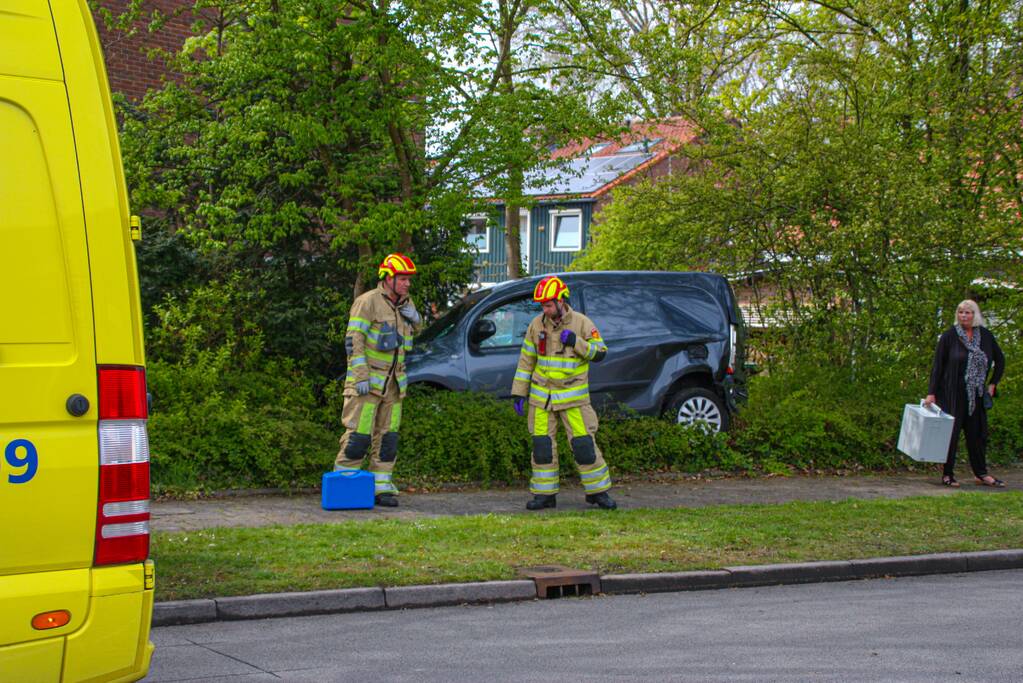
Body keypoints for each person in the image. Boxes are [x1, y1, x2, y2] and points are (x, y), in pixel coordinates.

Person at [510, 275, 617, 510]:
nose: (545, 310)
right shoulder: (536, 325)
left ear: (561, 301)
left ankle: (598, 493)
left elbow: (600, 353)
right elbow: (526, 360)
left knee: (584, 447)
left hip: (573, 399)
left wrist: (577, 342)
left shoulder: (582, 323)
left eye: (548, 304)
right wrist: (519, 393)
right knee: (542, 448)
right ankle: (545, 495)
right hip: (541, 399)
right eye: (542, 305)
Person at [334, 253, 421, 506]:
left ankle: (381, 488)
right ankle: (345, 487)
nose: (407, 284)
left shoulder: (405, 303)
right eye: (402, 279)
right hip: (368, 385)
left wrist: (415, 319)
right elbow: (354, 341)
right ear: (388, 279)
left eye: (408, 280)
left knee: (388, 438)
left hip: (394, 385)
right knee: (359, 436)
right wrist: (360, 375)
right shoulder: (367, 302)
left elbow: (413, 333)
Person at [924, 299, 1005, 488]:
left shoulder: (985, 336)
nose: (964, 316)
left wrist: (993, 383)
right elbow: (938, 366)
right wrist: (931, 393)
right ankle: (947, 474)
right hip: (952, 394)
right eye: (961, 312)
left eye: (968, 312)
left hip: (976, 394)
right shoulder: (949, 336)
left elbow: (1000, 360)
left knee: (977, 435)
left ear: (975, 315)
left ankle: (981, 473)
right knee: (950, 435)